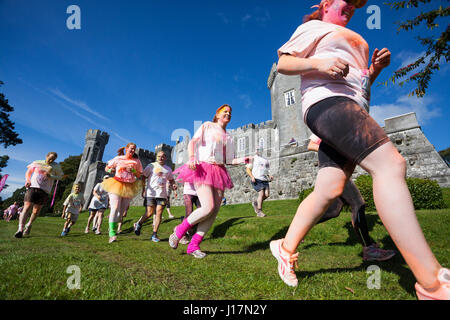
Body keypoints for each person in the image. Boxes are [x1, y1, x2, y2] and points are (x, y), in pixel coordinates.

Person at [270, 0, 449, 300]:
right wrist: (318, 63)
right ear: (326, 4)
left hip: (350, 107)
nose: (353, 6)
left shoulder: (359, 43)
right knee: (391, 165)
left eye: (357, 4)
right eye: (347, 1)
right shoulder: (314, 27)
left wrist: (374, 70)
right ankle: (432, 284)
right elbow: (285, 63)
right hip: (327, 104)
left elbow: (360, 87)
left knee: (329, 189)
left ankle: (284, 248)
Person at [169, 104, 251, 258]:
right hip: (203, 168)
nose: (228, 114)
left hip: (219, 171)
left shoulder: (229, 137)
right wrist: (192, 157)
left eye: (230, 112)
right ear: (218, 114)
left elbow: (229, 159)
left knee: (213, 211)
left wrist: (243, 159)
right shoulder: (208, 126)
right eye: (225, 111)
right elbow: (193, 142)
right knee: (208, 207)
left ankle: (194, 245)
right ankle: (179, 231)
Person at [308, 135, 395, 261]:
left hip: (340, 168)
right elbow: (310, 145)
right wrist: (334, 150)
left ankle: (300, 228)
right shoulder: (325, 121)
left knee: (334, 211)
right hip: (332, 168)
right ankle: (369, 248)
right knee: (358, 204)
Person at [15, 152, 64, 238]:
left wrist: (51, 176)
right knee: (27, 207)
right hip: (33, 187)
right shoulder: (37, 162)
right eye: (50, 158)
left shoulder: (56, 166)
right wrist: (27, 180)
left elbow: (60, 177)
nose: (51, 160)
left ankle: (29, 224)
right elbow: (28, 172)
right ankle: (20, 229)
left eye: (53, 159)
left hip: (45, 191)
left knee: (36, 211)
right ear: (46, 156)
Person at [102, 143, 143, 243]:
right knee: (115, 208)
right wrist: (110, 169)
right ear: (126, 149)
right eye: (131, 149)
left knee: (121, 213)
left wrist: (133, 170)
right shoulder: (118, 158)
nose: (132, 151)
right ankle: (112, 233)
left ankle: (113, 226)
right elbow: (107, 168)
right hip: (116, 184)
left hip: (129, 186)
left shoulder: (136, 161)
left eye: (134, 149)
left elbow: (139, 174)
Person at [133, 151, 177, 242]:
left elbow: (171, 180)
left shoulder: (168, 169)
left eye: (162, 156)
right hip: (151, 193)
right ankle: (139, 223)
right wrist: (144, 189)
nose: (160, 158)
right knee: (149, 213)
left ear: (165, 158)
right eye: (159, 156)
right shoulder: (151, 166)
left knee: (159, 214)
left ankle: (154, 234)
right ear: (156, 157)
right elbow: (143, 176)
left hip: (162, 195)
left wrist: (173, 185)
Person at [245, 146, 273, 217]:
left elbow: (267, 169)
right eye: (257, 150)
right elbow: (248, 169)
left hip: (264, 179)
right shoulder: (253, 159)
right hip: (257, 178)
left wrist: (270, 175)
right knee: (261, 193)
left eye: (259, 150)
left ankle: (256, 203)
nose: (258, 151)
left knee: (267, 195)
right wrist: (252, 177)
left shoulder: (265, 160)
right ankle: (259, 211)